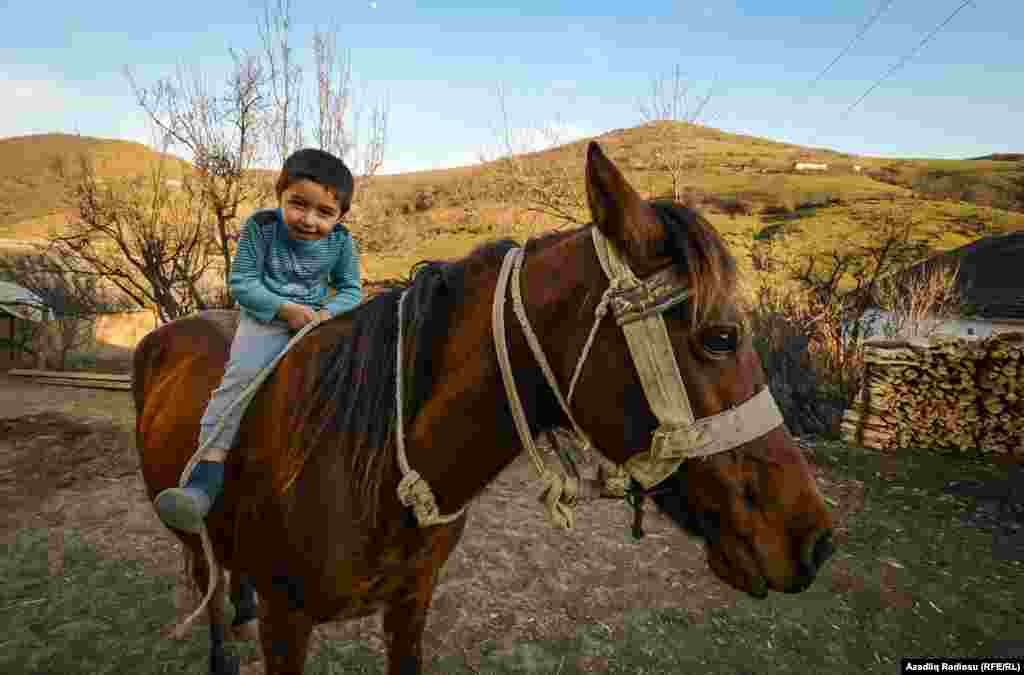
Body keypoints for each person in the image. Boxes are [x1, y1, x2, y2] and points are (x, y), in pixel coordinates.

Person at [154, 148, 363, 534]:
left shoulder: (341, 245)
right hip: (266, 317)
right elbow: (243, 283)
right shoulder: (261, 229)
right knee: (242, 375)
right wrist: (284, 309)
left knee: (349, 380)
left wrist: (327, 315)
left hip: (316, 321)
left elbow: (351, 290)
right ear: (280, 194)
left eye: (324, 213)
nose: (309, 219)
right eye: (298, 204)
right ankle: (206, 475)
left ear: (340, 216)